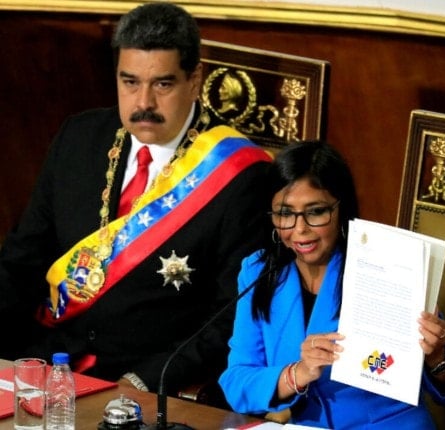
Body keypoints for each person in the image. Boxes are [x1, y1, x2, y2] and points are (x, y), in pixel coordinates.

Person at [0, 2, 271, 397]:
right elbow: (23, 260)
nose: (143, 103)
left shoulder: (241, 175)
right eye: (130, 82)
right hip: (48, 361)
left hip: (148, 383)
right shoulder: (79, 138)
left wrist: (146, 380)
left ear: (194, 80)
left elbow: (232, 315)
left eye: (162, 84)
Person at [219, 141, 445, 428]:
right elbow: (237, 382)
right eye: (285, 213)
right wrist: (297, 373)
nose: (299, 229)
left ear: (341, 209)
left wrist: (437, 356)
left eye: (315, 212)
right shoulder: (258, 271)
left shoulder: (389, 264)